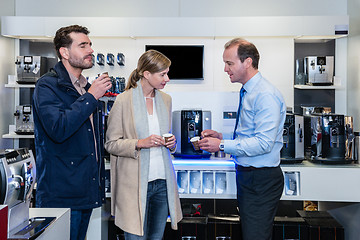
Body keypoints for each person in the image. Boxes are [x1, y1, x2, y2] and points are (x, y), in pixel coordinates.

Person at [198, 38, 286, 240]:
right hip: (249, 176)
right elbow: (251, 134)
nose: (225, 69)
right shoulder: (249, 91)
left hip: (261, 178)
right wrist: (222, 136)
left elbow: (264, 143)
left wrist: (221, 145)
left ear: (247, 62)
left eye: (229, 63)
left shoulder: (265, 95)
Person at [32, 25, 112, 240]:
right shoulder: (47, 86)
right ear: (64, 52)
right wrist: (91, 97)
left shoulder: (84, 87)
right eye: (83, 45)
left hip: (84, 191)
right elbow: (58, 129)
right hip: (61, 195)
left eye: (90, 45)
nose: (91, 50)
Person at [105, 49, 182, 239]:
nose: (167, 78)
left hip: (163, 183)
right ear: (146, 74)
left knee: (156, 237)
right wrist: (139, 143)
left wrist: (172, 143)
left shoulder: (166, 100)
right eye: (163, 74)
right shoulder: (123, 100)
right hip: (134, 185)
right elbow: (111, 144)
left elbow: (167, 140)